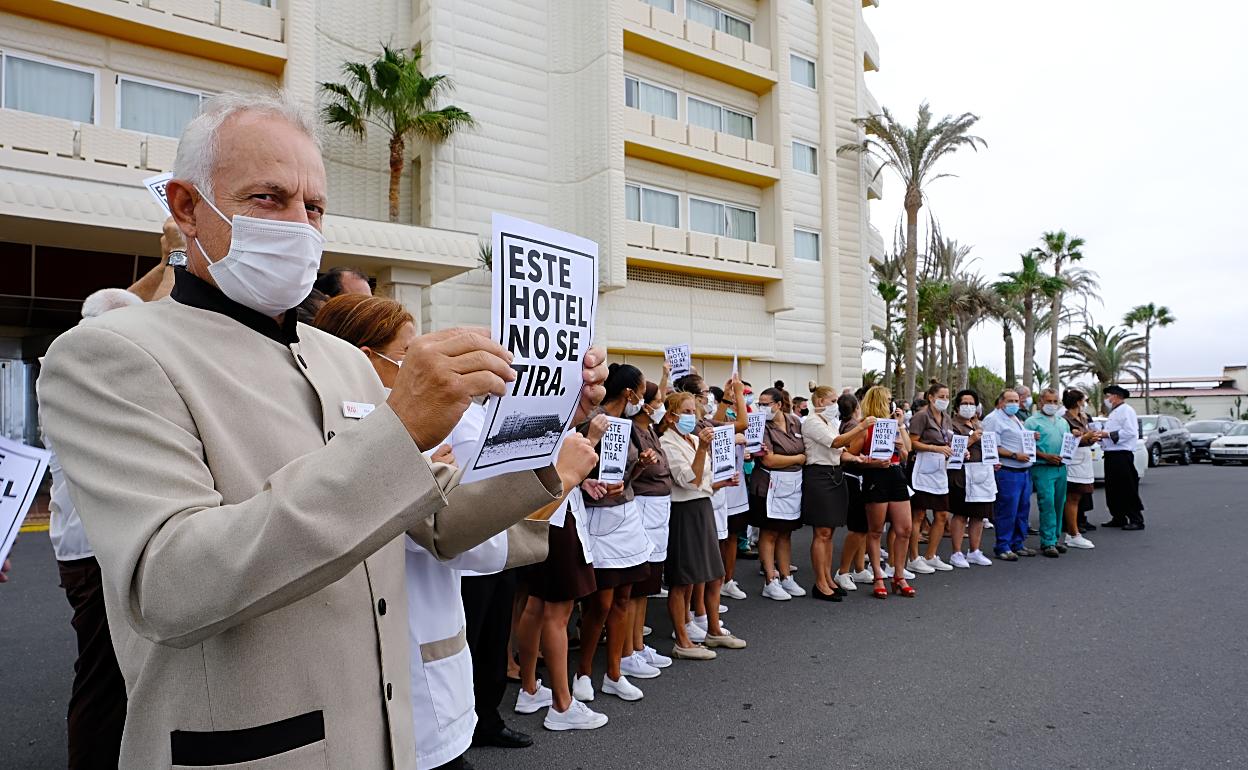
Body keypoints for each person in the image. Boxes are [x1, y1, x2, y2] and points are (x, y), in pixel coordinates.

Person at [37, 91, 606, 770]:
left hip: (390, 743)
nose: (299, 226)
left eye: (313, 207)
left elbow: (434, 523)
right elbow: (171, 582)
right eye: (268, 199)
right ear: (186, 208)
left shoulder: (338, 359)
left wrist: (544, 425)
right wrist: (398, 433)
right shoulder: (111, 353)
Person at [313, 294, 561, 769]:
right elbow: (461, 540)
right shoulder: (376, 433)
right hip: (406, 678)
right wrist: (558, 479)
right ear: (367, 360)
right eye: (409, 355)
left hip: (426, 654)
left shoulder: (408, 426)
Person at [41, 289, 141, 770]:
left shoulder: (81, 362)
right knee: (104, 682)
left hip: (95, 548)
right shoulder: (80, 370)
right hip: (96, 553)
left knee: (114, 679)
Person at [514, 418, 613, 733]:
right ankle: (562, 705)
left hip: (545, 514)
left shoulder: (543, 413)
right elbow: (561, 467)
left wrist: (581, 482)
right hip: (558, 518)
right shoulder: (561, 414)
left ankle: (529, 689)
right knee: (557, 612)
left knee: (536, 604)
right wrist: (593, 440)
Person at [573, 364, 657, 703]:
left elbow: (624, 477)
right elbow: (573, 472)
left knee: (623, 597)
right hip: (597, 520)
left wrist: (640, 466)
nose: (642, 398)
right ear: (629, 392)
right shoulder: (590, 422)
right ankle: (582, 672)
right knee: (600, 602)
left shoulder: (629, 426)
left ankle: (614, 673)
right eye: (640, 390)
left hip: (626, 515)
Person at [659, 392, 745, 658]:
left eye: (692, 411)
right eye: (684, 411)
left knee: (712, 573)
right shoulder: (667, 443)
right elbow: (688, 480)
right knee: (683, 578)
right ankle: (683, 641)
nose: (690, 416)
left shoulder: (694, 438)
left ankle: (713, 629)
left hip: (703, 506)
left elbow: (704, 480)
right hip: (684, 511)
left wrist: (721, 483)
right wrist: (703, 450)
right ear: (671, 416)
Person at [625, 378, 676, 674]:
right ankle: (629, 649)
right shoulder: (633, 430)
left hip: (658, 509)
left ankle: (639, 646)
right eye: (655, 401)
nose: (658, 406)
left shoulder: (651, 430)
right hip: (643, 506)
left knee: (648, 583)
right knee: (637, 584)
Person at [843, 386, 915, 598]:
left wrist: (901, 430)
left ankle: (899, 575)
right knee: (875, 530)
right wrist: (870, 463)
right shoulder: (865, 426)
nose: (892, 403)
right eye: (889, 400)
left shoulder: (893, 425)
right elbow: (850, 457)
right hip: (876, 477)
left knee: (905, 529)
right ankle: (878, 576)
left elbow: (906, 452)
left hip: (896, 475)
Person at [801, 385, 858, 600]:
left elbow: (841, 452)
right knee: (821, 532)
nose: (836, 405)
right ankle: (820, 582)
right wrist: (861, 428)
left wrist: (859, 459)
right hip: (819, 476)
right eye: (832, 401)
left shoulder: (830, 422)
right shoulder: (811, 422)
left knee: (830, 532)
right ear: (820, 402)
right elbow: (836, 442)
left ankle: (827, 577)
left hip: (834, 474)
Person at [750, 387, 807, 601]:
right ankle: (770, 580)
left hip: (792, 485)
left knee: (786, 531)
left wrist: (797, 458)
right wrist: (798, 458)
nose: (763, 408)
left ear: (779, 404)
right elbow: (769, 459)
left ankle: (786, 576)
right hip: (768, 485)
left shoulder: (796, 422)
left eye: (767, 404)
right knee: (769, 532)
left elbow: (805, 450)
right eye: (760, 404)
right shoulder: (761, 426)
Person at [982, 389, 1036, 561]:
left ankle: (1017, 543)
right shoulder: (993, 419)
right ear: (1001, 402)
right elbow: (992, 446)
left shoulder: (1015, 418)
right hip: (1008, 470)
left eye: (1016, 400)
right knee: (1007, 510)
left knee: (1022, 509)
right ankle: (1003, 545)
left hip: (1023, 471)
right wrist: (1014, 455)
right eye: (1010, 400)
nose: (1014, 404)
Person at [908, 382, 955, 573]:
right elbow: (912, 443)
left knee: (942, 514)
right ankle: (913, 557)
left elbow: (949, 440)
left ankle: (931, 555)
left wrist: (959, 452)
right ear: (931, 397)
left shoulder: (946, 418)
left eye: (947, 397)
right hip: (922, 466)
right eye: (941, 396)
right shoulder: (921, 416)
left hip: (940, 468)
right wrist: (935, 448)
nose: (944, 400)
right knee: (918, 514)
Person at [946, 389, 996, 569]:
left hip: (982, 473)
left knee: (979, 514)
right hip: (961, 474)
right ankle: (956, 552)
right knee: (961, 513)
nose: (968, 407)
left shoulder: (978, 425)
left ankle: (974, 551)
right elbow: (952, 451)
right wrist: (971, 439)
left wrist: (993, 460)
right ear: (957, 406)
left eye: (971, 403)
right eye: (964, 403)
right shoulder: (951, 425)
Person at [1024, 388, 1072, 558]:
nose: (1052, 405)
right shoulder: (1031, 422)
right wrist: (1045, 456)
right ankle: (1048, 542)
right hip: (1043, 467)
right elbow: (1027, 447)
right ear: (1040, 402)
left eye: (1055, 401)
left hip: (1061, 468)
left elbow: (1068, 443)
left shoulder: (1062, 422)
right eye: (1048, 401)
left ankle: (1056, 538)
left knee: (1060, 503)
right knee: (1048, 503)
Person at [833, 393, 874, 591]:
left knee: (863, 528)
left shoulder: (847, 425)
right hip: (852, 478)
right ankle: (843, 571)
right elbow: (850, 452)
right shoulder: (854, 427)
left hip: (856, 477)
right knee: (858, 527)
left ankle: (859, 568)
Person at [1100, 384, 1145, 530]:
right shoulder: (1114, 412)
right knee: (1113, 488)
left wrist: (1108, 435)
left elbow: (1131, 432)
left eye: (1109, 396)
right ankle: (1118, 516)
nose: (1107, 399)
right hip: (1111, 454)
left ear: (1116, 396)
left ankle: (1136, 518)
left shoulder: (1127, 411)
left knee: (1127, 487)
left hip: (1122, 454)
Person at [1061, 389, 1099, 549]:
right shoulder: (1065, 419)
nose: (1085, 404)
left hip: (1084, 460)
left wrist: (1091, 438)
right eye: (1084, 400)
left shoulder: (1083, 417)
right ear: (1078, 402)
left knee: (1079, 497)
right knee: (1072, 497)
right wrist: (1084, 437)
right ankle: (1072, 533)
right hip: (1074, 461)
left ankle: (1074, 531)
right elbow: (1067, 441)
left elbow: (1085, 439)